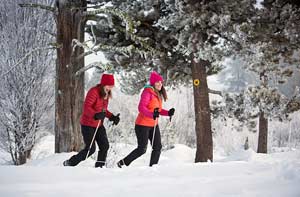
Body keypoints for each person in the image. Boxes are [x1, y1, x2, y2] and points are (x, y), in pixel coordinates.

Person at [117, 71, 175, 167]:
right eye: (157, 82)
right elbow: (141, 108)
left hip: (153, 125)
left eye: (161, 82)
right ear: (153, 83)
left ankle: (153, 167)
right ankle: (122, 163)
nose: (160, 84)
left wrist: (168, 113)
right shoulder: (147, 92)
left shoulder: (157, 94)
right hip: (142, 125)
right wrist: (152, 114)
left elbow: (158, 110)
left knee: (157, 147)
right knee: (142, 149)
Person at [63, 74, 120, 168]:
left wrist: (112, 117)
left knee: (104, 146)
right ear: (103, 84)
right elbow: (86, 108)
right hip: (88, 125)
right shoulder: (93, 92)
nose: (110, 88)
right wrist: (95, 115)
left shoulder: (106, 94)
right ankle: (70, 163)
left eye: (111, 86)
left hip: (98, 125)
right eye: (109, 85)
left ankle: (99, 167)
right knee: (90, 149)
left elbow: (103, 111)